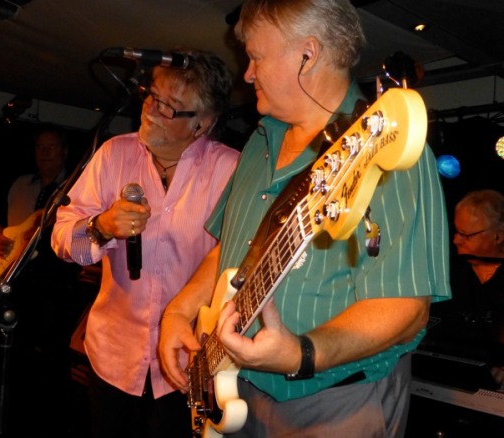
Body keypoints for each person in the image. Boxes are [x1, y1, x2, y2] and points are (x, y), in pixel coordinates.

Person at [158, 1, 451, 437]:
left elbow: (406, 308)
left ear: (307, 55)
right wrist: (178, 312)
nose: (247, 74)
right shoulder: (258, 144)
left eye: (256, 57)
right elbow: (229, 252)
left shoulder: (386, 150)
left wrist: (303, 353)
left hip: (333, 403)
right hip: (235, 388)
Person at [51, 48, 240, 438]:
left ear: (202, 123)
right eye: (152, 96)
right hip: (113, 356)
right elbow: (60, 237)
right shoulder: (113, 154)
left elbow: (240, 261)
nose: (152, 110)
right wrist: (102, 226)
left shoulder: (230, 170)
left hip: (187, 360)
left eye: (169, 106)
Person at [0, 122, 83, 437]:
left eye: (51, 147)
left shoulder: (73, 191)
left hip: (52, 287)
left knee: (48, 360)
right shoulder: (20, 184)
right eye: (40, 147)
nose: (44, 153)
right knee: (11, 355)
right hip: (13, 282)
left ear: (64, 152)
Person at [429, 189, 504, 386]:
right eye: (456, 231)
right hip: (441, 379)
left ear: (498, 236)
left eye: (466, 235)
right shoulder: (446, 271)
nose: (456, 240)